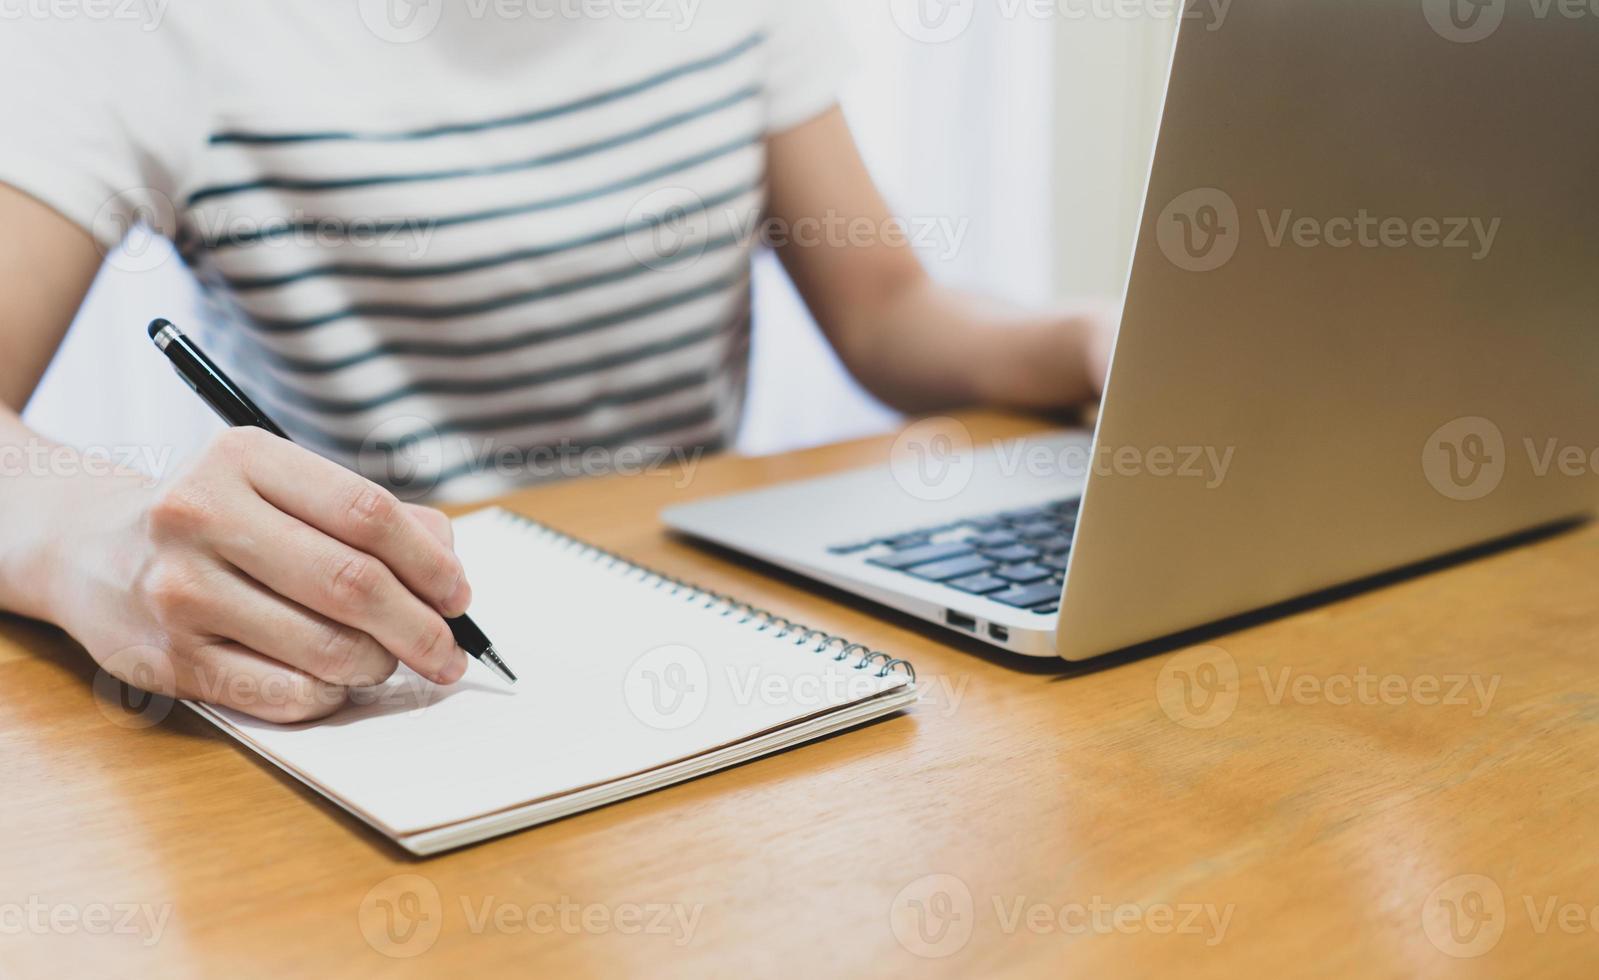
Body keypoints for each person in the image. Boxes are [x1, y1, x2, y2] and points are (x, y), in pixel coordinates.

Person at [0, 2, 1114, 722]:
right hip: (368, 673)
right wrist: (88, 546)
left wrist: (1088, 340)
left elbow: (889, 313)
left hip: (697, 635)